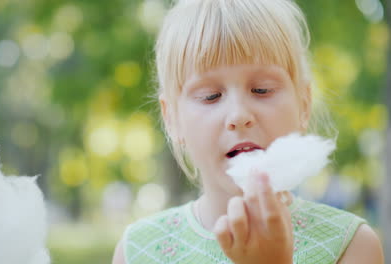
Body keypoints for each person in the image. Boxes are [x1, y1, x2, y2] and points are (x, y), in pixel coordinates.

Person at [112, 0, 384, 263]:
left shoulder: (350, 245)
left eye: (262, 90)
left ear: (303, 105)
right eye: (210, 96)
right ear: (172, 119)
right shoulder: (138, 251)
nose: (239, 115)